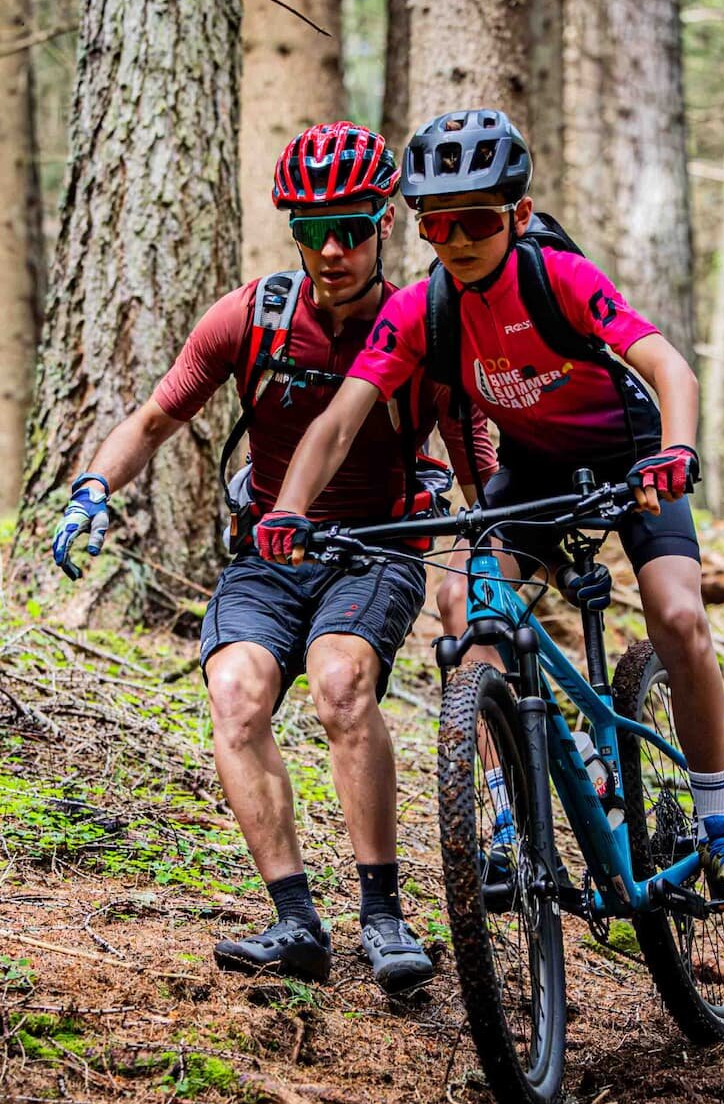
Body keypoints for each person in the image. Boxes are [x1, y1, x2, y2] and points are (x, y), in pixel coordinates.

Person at [254, 109, 724, 903]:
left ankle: (721, 826)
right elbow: (338, 422)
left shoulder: (556, 277)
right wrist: (288, 509)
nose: (458, 239)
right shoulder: (419, 311)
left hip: (633, 460)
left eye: (477, 220)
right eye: (439, 225)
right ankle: (507, 828)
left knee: (676, 617)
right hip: (534, 471)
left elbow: (669, 365)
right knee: (463, 597)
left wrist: (676, 451)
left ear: (519, 216)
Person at [49, 122, 496, 992]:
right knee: (236, 693)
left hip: (377, 548)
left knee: (339, 685)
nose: (331, 250)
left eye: (352, 229)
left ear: (382, 227)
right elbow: (152, 420)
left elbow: (472, 452)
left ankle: (383, 918)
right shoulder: (251, 318)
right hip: (268, 550)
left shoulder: (420, 328)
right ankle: (296, 921)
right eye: (311, 229)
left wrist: (490, 549)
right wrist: (92, 490)